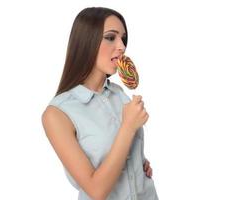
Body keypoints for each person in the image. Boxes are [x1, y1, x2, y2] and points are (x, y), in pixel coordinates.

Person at [41, 7, 158, 200]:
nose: (121, 46)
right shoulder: (57, 114)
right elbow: (96, 190)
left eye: (123, 38)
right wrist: (128, 127)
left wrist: (138, 163)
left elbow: (120, 154)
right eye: (111, 37)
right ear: (87, 41)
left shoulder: (119, 94)